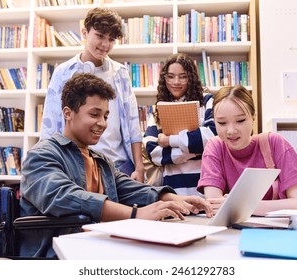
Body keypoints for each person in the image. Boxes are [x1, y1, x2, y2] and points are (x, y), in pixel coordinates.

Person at [19, 73, 212, 258]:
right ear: (68, 113)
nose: (102, 123)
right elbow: (63, 196)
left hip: (99, 247)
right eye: (95, 114)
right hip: (57, 256)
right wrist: (136, 214)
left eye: (105, 116)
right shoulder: (41, 155)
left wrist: (175, 199)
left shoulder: (100, 160)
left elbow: (130, 188)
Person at [40, 7, 144, 182]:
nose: (105, 44)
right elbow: (49, 127)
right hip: (74, 164)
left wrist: (139, 168)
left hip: (117, 165)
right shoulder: (63, 73)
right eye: (100, 36)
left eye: (111, 39)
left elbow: (133, 124)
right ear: (84, 32)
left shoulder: (120, 73)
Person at [197, 85, 297, 216]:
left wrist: (240, 205)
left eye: (240, 120)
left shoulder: (275, 143)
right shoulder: (214, 147)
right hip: (233, 233)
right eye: (222, 123)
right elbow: (214, 206)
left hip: (278, 232)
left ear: (253, 117)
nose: (231, 131)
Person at [143, 53, 216, 196]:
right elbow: (152, 151)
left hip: (206, 183)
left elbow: (212, 137)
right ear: (164, 78)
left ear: (191, 77)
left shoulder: (207, 101)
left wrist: (168, 141)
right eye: (170, 76)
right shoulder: (159, 108)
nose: (176, 82)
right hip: (173, 187)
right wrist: (193, 152)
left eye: (182, 76)